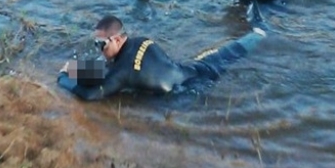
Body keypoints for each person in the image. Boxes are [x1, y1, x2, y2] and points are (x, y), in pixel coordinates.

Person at [57, 15, 266, 101]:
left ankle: (258, 34)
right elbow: (115, 68)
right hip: (196, 69)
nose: (99, 49)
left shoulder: (122, 72)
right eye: (96, 44)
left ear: (118, 40)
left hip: (185, 94)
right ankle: (259, 33)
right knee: (229, 54)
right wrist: (78, 69)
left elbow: (91, 95)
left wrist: (64, 77)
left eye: (102, 44)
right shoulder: (140, 40)